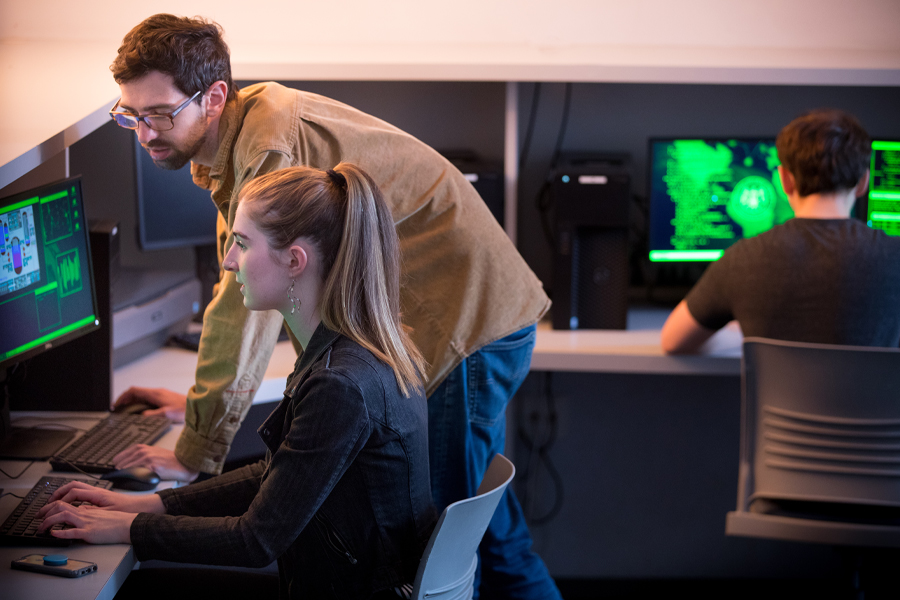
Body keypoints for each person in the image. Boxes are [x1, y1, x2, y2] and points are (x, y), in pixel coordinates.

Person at [105, 14, 559, 599]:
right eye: (130, 116)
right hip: (459, 316)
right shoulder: (246, 124)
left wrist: (196, 446)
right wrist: (199, 407)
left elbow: (244, 307)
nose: (144, 133)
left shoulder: (268, 146)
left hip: (463, 321)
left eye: (159, 114)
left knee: (455, 551)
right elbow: (239, 278)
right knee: (480, 532)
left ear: (214, 97)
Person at [38, 164, 436, 599]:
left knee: (136, 589)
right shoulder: (356, 351)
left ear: (294, 261)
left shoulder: (339, 384)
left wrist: (131, 528)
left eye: (242, 243)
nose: (228, 261)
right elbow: (274, 476)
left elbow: (255, 540)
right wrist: (150, 504)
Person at [661, 108, 900, 353]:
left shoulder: (742, 259)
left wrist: (742, 333)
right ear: (863, 182)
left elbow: (672, 342)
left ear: (785, 180)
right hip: (874, 394)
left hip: (779, 394)